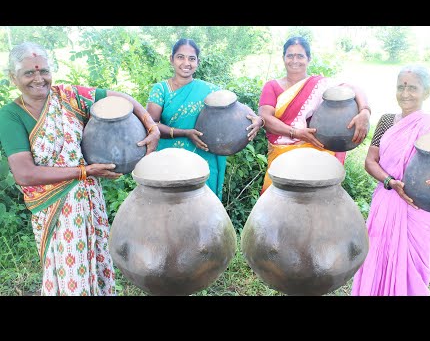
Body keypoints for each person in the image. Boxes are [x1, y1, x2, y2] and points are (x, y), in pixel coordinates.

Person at [0, 42, 160, 296]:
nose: (38, 79)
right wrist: (85, 171)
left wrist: (151, 125)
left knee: (96, 262)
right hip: (54, 208)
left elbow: (119, 98)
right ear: (12, 77)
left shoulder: (68, 97)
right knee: (68, 270)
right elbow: (25, 173)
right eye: (28, 73)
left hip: (88, 199)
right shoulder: (10, 115)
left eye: (44, 71)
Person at [351, 64, 430, 296]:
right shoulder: (387, 121)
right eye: (401, 87)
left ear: (426, 92)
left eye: (413, 87)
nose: (405, 93)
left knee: (415, 272)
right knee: (376, 260)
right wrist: (390, 181)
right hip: (387, 202)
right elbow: (371, 161)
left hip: (421, 212)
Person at [146, 38, 264, 200]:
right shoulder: (160, 90)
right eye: (180, 57)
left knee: (202, 212)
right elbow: (151, 125)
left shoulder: (210, 90)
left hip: (203, 160)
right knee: (171, 210)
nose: (186, 63)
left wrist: (258, 120)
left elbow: (235, 107)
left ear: (198, 62)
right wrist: (185, 133)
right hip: (170, 161)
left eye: (191, 58)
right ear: (171, 59)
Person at [258, 36, 371, 193]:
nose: (294, 60)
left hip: (316, 154)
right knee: (278, 200)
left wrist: (365, 111)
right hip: (281, 156)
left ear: (309, 59)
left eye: (300, 56)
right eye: (290, 55)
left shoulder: (320, 85)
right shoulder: (272, 86)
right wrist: (296, 133)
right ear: (283, 58)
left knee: (315, 202)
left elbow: (353, 88)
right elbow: (265, 119)